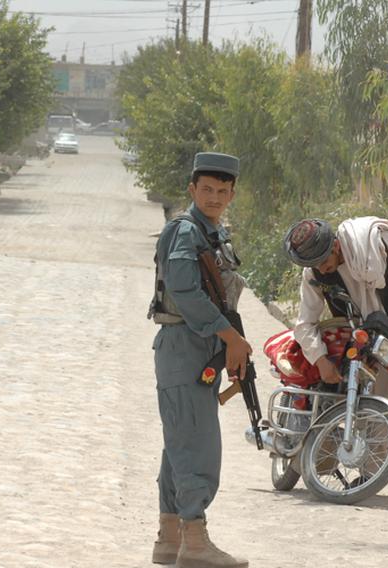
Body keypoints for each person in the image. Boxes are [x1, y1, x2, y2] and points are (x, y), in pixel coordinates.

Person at [283, 217, 388, 498]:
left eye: (324, 260)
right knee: (375, 399)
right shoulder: (314, 274)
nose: (321, 268)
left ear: (336, 245)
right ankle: (372, 472)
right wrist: (320, 360)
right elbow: (305, 324)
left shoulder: (372, 240)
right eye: (313, 264)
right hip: (371, 338)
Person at [148, 152, 250, 568]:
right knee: (197, 446)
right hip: (182, 345)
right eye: (207, 189)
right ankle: (195, 540)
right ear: (192, 190)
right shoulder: (185, 231)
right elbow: (185, 292)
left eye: (223, 191)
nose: (215, 197)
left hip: (201, 348)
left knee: (180, 444)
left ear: (231, 194)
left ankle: (170, 538)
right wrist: (231, 338)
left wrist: (229, 344)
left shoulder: (214, 232)